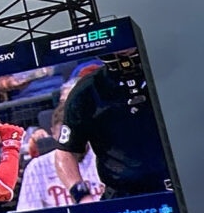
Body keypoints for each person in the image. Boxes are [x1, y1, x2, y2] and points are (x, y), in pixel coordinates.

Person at [44, 56, 168, 200]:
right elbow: (65, 152)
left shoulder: (170, 73)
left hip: (184, 187)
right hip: (124, 199)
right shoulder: (86, 91)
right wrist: (82, 196)